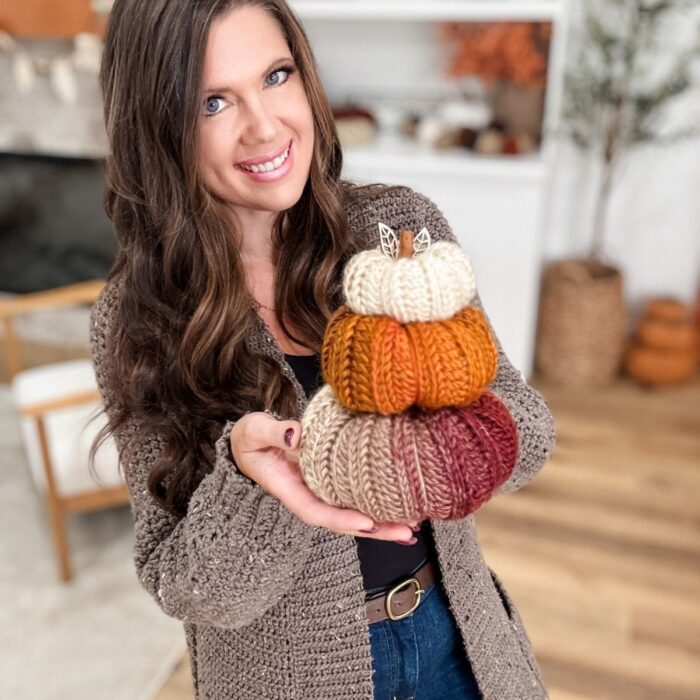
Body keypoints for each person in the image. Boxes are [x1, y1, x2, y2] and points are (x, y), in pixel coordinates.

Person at [90, 1, 556, 698]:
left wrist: (425, 434)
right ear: (157, 126)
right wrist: (255, 481)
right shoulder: (135, 321)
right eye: (213, 101)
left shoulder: (399, 231)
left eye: (276, 76)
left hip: (456, 644)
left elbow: (530, 431)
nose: (265, 126)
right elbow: (188, 585)